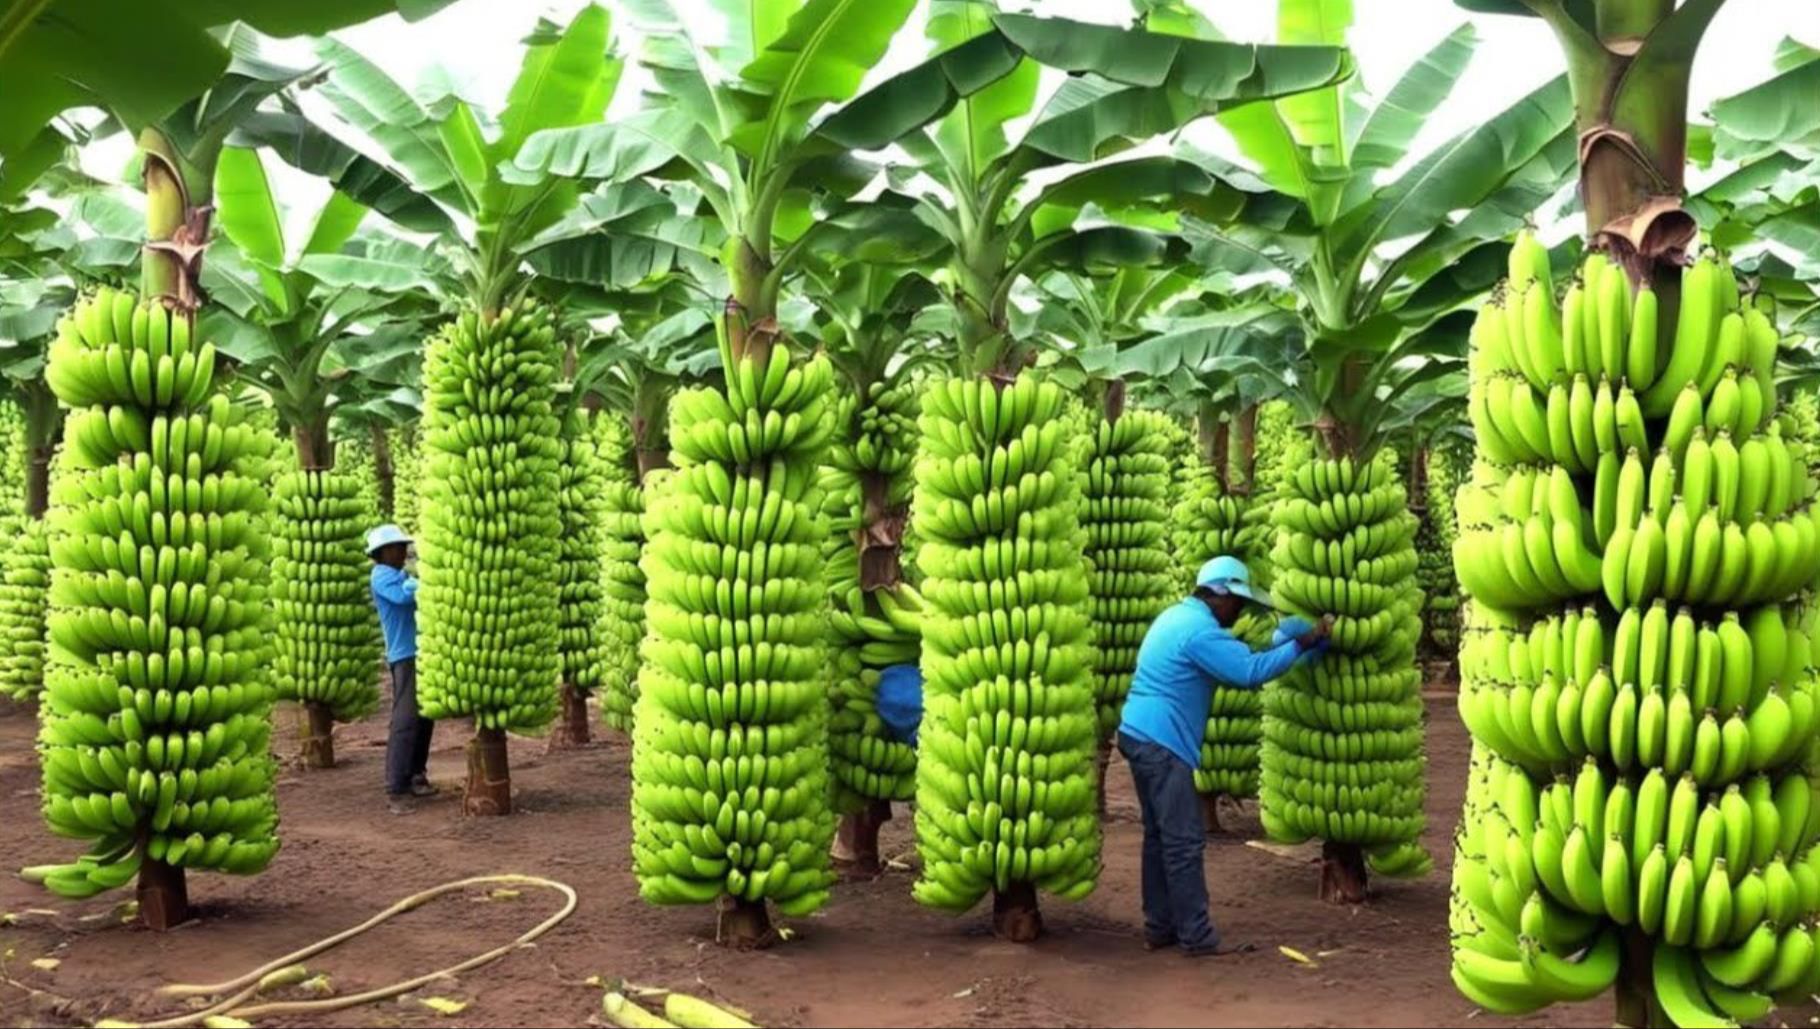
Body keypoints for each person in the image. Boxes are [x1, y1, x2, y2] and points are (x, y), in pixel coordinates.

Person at [1117, 555, 1331, 957]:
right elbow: (1248, 673)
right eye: (1237, 601)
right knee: (1182, 841)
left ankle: (1159, 927)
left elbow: (1236, 658)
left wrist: (1278, 645)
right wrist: (1302, 642)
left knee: (1159, 838)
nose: (1239, 611)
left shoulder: (1177, 617)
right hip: (1163, 743)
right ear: (1218, 594)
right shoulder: (1199, 633)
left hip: (1137, 733)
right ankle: (1195, 936)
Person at [368, 524, 434, 813]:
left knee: (425, 716)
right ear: (382, 553)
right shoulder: (381, 576)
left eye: (403, 546)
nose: (403, 551)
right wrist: (426, 582)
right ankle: (396, 788)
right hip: (404, 655)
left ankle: (416, 773)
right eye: (396, 547)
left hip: (421, 651)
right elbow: (404, 596)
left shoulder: (401, 575)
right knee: (405, 719)